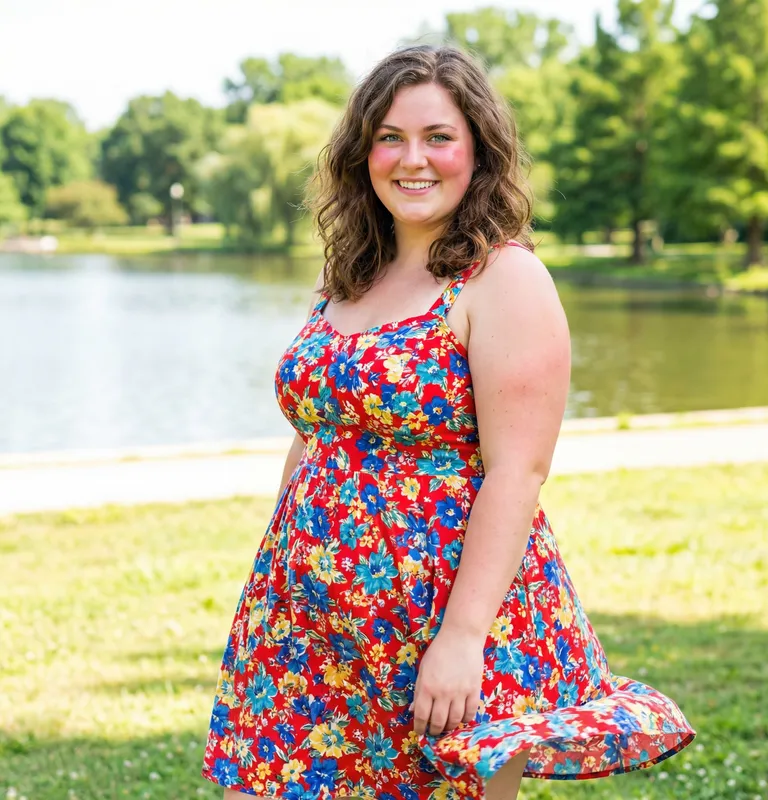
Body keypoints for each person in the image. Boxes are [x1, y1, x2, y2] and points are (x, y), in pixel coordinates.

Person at [202, 44, 695, 800]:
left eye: (439, 137)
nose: (413, 159)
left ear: (479, 151)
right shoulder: (349, 276)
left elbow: (517, 471)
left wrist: (461, 640)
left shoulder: (503, 278)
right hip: (306, 625)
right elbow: (316, 434)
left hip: (436, 623)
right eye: (390, 137)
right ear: (361, 153)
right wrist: (283, 583)